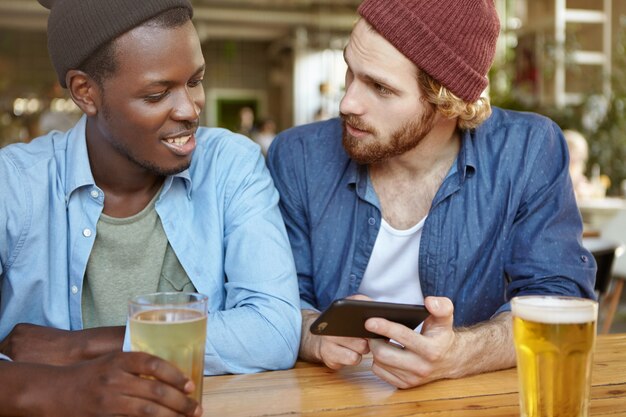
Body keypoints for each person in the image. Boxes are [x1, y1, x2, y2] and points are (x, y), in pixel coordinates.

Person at [267, 0, 596, 389]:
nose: (347, 103)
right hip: (328, 398)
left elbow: (558, 302)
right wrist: (312, 334)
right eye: (349, 73)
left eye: (380, 87)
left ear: (447, 99)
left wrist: (462, 354)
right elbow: (276, 301)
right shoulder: (299, 156)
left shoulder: (527, 151)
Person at [0, 1, 300, 416]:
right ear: (86, 92)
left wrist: (83, 346)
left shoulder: (230, 164)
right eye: (157, 94)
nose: (189, 109)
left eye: (195, 81)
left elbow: (274, 331)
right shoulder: (14, 185)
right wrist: (61, 390)